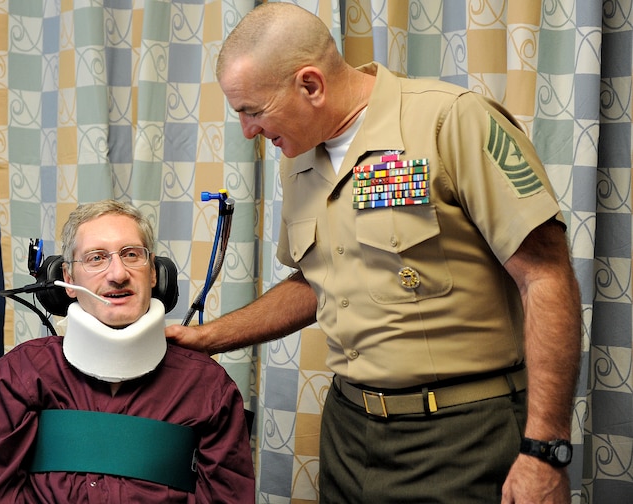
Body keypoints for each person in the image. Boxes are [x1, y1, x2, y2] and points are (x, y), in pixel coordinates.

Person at [165, 3, 581, 504]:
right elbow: (315, 283)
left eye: (253, 111)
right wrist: (207, 338)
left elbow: (545, 276)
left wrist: (544, 451)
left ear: (311, 85)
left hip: (460, 437)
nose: (248, 131)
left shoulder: (450, 121)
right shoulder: (298, 160)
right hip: (348, 434)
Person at [0, 200, 255, 503]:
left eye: (131, 255)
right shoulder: (27, 373)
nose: (118, 273)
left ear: (154, 274)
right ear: (68, 280)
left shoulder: (208, 387)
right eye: (96, 258)